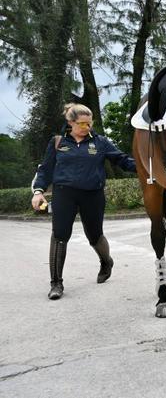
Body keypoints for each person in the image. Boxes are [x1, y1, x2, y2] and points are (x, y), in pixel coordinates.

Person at [31, 103, 137, 300]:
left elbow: (123, 160)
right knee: (59, 235)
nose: (87, 127)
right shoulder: (57, 142)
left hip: (93, 195)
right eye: (82, 124)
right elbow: (45, 169)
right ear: (70, 122)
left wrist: (148, 168)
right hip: (64, 194)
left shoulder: (100, 142)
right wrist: (38, 191)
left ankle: (106, 262)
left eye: (90, 123)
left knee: (94, 235)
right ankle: (56, 283)